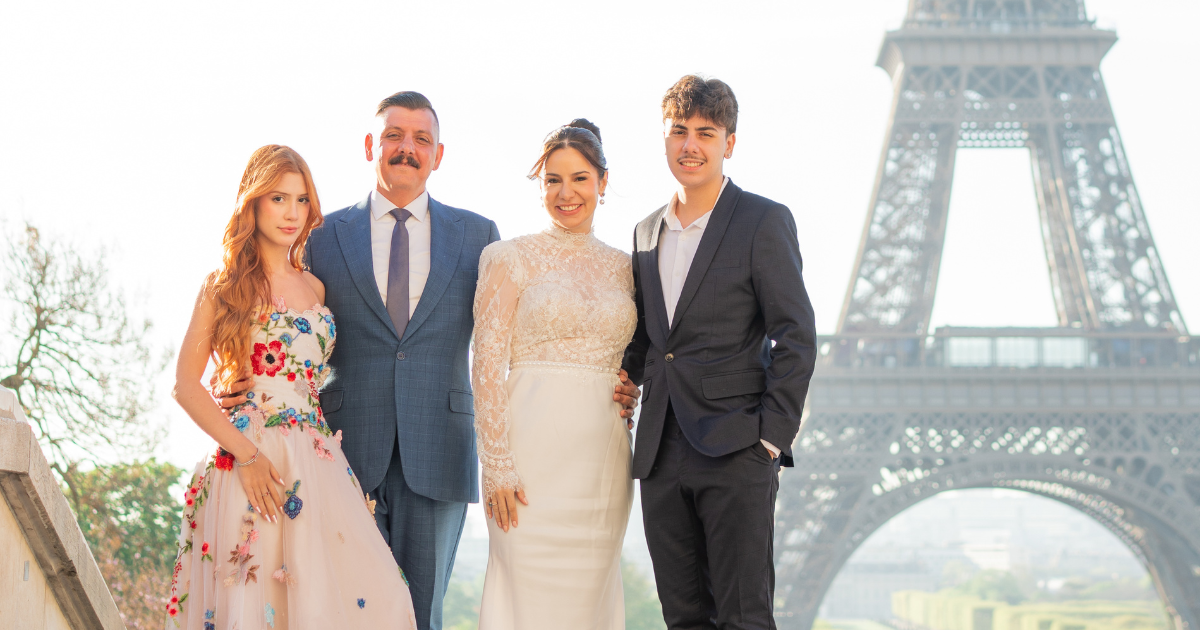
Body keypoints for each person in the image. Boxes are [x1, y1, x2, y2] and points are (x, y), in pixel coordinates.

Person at [167, 144, 418, 629]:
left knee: (376, 596)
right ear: (253, 202)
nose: (292, 213)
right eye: (279, 198)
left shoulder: (316, 288)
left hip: (316, 460)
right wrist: (247, 455)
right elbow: (184, 385)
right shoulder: (222, 285)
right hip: (248, 460)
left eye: (302, 200)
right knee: (256, 604)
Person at [622, 76, 818, 630]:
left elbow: (796, 333)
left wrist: (770, 437)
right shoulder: (643, 232)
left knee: (743, 617)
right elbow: (651, 340)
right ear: (664, 139)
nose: (691, 145)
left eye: (706, 133)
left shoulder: (762, 220)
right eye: (679, 131)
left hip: (738, 447)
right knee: (683, 619)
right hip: (660, 451)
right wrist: (624, 376)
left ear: (729, 143)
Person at [472, 119, 636, 630]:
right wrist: (497, 462)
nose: (566, 193)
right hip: (527, 465)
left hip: (601, 466)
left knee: (591, 606)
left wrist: (634, 387)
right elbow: (485, 365)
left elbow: (646, 357)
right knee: (525, 602)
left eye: (580, 178)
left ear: (603, 183)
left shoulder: (629, 268)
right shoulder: (507, 257)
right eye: (553, 180)